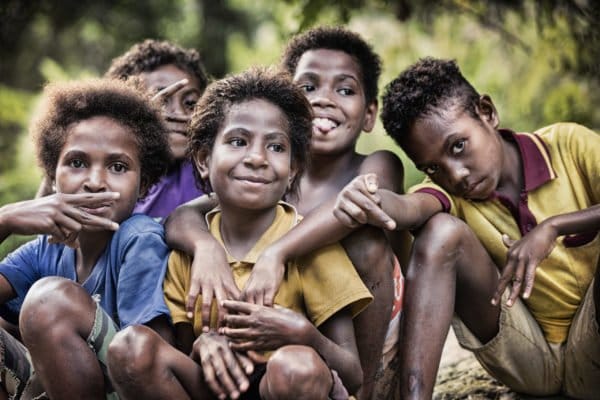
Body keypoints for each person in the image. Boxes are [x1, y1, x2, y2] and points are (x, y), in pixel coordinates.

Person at [164, 26, 409, 399]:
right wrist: (205, 247)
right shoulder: (258, 181)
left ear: (368, 113)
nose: (324, 100)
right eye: (309, 88)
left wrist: (276, 253)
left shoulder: (373, 164)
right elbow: (186, 214)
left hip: (357, 333)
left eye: (344, 89)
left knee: (365, 242)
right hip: (272, 360)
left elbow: (348, 210)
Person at [332, 57, 600, 399]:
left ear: (486, 112)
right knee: (441, 232)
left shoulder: (567, 145)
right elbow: (411, 207)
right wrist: (367, 198)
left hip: (594, 351)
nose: (455, 174)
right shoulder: (452, 195)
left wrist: (554, 226)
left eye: (458, 146)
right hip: (530, 359)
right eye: (432, 167)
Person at [106, 67, 373, 400]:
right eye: (238, 141)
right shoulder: (188, 255)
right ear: (203, 160)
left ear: (291, 171)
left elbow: (353, 374)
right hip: (215, 390)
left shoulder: (310, 246)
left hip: (285, 387)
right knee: (131, 346)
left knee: (296, 366)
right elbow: (183, 356)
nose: (257, 158)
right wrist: (205, 343)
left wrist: (304, 335)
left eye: (276, 147)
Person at [0, 78, 174, 399]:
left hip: (131, 387)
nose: (95, 182)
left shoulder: (139, 238)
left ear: (145, 185)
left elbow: (148, 358)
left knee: (49, 300)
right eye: (77, 163)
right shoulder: (46, 249)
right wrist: (6, 219)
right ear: (52, 178)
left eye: (118, 166)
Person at [36, 39, 209, 222]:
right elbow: (46, 227)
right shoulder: (108, 179)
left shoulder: (210, 169)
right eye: (160, 103)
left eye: (190, 103)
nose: (179, 113)